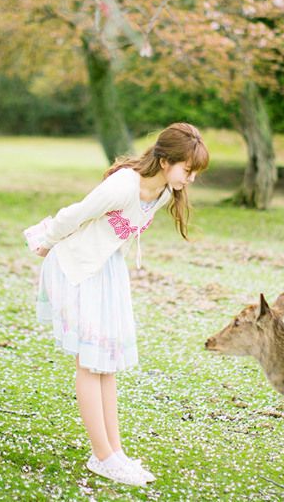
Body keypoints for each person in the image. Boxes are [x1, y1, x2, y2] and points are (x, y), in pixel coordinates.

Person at [25, 123, 209, 487]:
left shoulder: (163, 194)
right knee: (90, 362)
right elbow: (76, 214)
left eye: (194, 173)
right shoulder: (123, 185)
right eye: (188, 170)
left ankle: (113, 453)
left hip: (106, 270)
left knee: (105, 363)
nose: (190, 180)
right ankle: (104, 456)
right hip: (75, 268)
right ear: (167, 160)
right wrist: (45, 241)